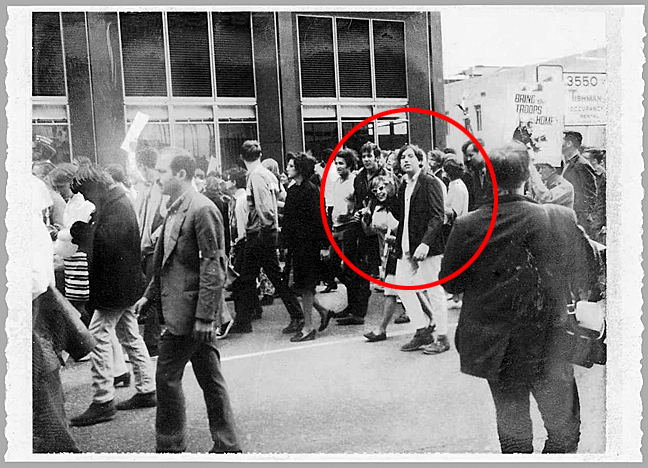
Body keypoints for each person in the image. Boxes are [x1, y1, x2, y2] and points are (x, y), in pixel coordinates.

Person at [440, 141, 599, 454]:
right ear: (527, 175)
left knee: (513, 432)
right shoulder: (557, 217)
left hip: (495, 345)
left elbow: (451, 282)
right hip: (548, 341)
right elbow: (588, 270)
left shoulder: (468, 224)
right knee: (563, 428)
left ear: (486, 177)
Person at [134, 152, 241, 453]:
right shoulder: (176, 207)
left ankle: (169, 447)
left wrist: (206, 318)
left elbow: (213, 266)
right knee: (210, 379)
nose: (157, 176)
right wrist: (149, 295)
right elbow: (168, 263)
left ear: (181, 174)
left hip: (192, 315)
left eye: (162, 171)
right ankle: (227, 444)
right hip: (185, 312)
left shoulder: (202, 209)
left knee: (166, 377)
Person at [69, 163, 156, 427]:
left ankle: (103, 399)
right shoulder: (119, 200)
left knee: (98, 336)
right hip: (126, 283)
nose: (86, 198)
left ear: (94, 185)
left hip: (114, 286)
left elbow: (107, 243)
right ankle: (146, 388)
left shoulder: (115, 204)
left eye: (85, 192)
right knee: (130, 335)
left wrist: (82, 231)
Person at [236, 140, 304, 334]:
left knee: (265, 277)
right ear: (260, 154)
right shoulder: (267, 174)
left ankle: (297, 315)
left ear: (242, 158)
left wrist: (266, 229)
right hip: (265, 231)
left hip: (259, 232)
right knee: (251, 277)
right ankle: (243, 320)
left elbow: (264, 208)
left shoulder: (255, 176)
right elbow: (280, 198)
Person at [392, 144, 450, 354]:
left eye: (410, 157)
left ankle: (442, 337)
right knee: (403, 286)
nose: (405, 160)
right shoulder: (403, 185)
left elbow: (438, 215)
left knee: (435, 290)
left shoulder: (429, 182)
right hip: (407, 245)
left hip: (428, 247)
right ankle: (422, 330)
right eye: (402, 158)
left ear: (420, 160)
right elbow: (403, 216)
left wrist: (426, 242)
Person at [282, 152, 335, 342]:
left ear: (299, 169)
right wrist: (285, 244)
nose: (287, 168)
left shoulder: (311, 190)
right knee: (298, 285)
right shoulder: (293, 189)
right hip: (297, 245)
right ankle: (322, 311)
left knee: (305, 286)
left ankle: (308, 327)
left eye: (290, 165)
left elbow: (320, 220)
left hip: (309, 245)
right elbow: (288, 220)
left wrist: (324, 245)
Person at [134, 146, 169, 358]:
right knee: (150, 291)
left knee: (152, 292)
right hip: (146, 247)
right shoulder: (145, 188)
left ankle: (152, 341)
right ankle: (153, 338)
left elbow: (165, 219)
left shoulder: (159, 187)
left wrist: (152, 239)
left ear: (143, 166)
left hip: (153, 247)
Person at [361, 175, 401, 342]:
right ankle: (432, 321)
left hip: (400, 252)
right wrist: (364, 219)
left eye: (382, 188)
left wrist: (395, 239)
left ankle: (381, 329)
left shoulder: (398, 205)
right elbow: (370, 231)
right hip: (386, 254)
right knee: (394, 291)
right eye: (375, 189)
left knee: (399, 291)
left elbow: (405, 228)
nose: (379, 192)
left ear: (390, 187)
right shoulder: (377, 208)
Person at [561, 131, 597, 235]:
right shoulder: (568, 162)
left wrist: (581, 217)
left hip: (578, 218)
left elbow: (589, 195)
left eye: (561, 141)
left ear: (569, 144)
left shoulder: (581, 165)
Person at [582, 147, 606, 244]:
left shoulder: (604, 178)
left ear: (595, 161)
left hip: (597, 224)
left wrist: (606, 224)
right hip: (585, 220)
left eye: (585, 159)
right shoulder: (584, 174)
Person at [460, 139, 492, 211]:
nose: (468, 159)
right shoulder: (473, 173)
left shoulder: (494, 170)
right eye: (467, 156)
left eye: (471, 155)